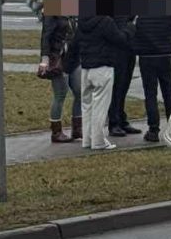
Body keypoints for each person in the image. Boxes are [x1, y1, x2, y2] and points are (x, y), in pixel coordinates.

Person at [77, 12, 131, 151]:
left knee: (87, 106)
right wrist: (129, 29)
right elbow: (120, 39)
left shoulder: (82, 21)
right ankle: (98, 141)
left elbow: (75, 42)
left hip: (86, 68)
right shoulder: (106, 21)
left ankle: (87, 139)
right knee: (100, 106)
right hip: (103, 66)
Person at [133, 6, 171, 142]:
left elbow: (132, 27)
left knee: (150, 94)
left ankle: (153, 129)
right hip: (165, 53)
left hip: (146, 55)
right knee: (168, 92)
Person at [41, 11, 81, 142]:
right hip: (57, 57)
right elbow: (46, 35)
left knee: (80, 91)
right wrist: (45, 58)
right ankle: (56, 132)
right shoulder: (52, 10)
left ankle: (77, 129)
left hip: (73, 58)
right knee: (60, 94)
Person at [108, 13, 140, 138]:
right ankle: (114, 122)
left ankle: (121, 119)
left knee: (124, 87)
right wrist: (131, 26)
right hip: (117, 50)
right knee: (117, 87)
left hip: (130, 48)